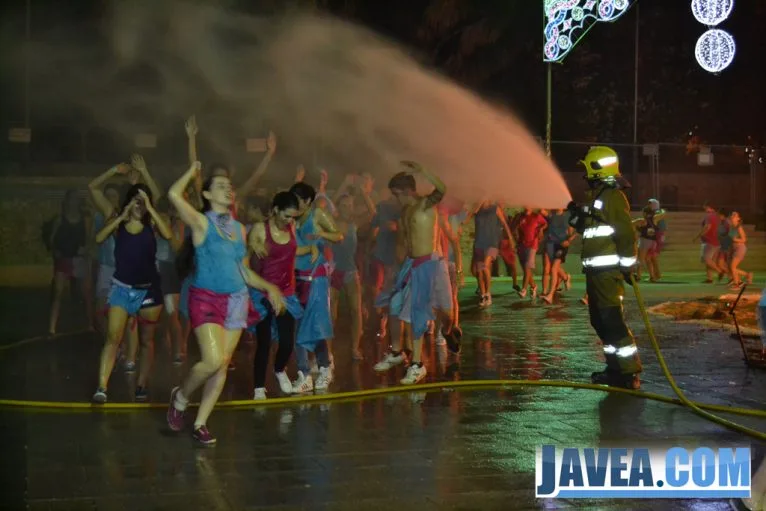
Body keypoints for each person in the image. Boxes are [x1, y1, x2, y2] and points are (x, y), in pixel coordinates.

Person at [166, 162, 284, 445]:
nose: (228, 189)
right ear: (207, 196)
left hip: (237, 299)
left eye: (229, 186)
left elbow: (243, 270)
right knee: (212, 360)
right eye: (220, 186)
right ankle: (180, 397)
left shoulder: (241, 229)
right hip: (206, 298)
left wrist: (269, 287)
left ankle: (200, 423)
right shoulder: (201, 222)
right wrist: (191, 171)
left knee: (222, 364)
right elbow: (173, 195)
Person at [374, 162, 462, 385]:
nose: (396, 199)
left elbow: (441, 189)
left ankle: (449, 330)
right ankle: (406, 357)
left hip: (432, 265)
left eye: (397, 194)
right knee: (397, 304)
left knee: (447, 316)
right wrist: (397, 269)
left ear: (407, 191)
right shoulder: (405, 212)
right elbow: (403, 242)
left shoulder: (424, 204)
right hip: (412, 265)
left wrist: (424, 171)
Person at [568, 146, 642, 389]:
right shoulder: (599, 197)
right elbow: (591, 229)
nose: (584, 174)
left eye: (587, 168)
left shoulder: (612, 196)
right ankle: (615, 368)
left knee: (612, 320)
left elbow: (625, 232)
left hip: (608, 273)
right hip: (595, 273)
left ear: (596, 169)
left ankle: (629, 372)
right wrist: (577, 215)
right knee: (599, 320)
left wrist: (628, 265)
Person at [92, 183, 171, 403]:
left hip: (148, 291)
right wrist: (121, 216)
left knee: (146, 341)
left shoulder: (152, 223)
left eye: (143, 201)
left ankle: (141, 384)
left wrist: (150, 208)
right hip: (121, 288)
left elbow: (168, 233)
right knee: (113, 337)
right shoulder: (119, 224)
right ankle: (102, 387)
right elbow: (99, 239)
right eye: (135, 200)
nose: (139, 204)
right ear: (128, 202)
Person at [248, 191, 304, 399]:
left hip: (286, 292)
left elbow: (290, 253)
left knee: (287, 342)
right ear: (275, 210)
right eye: (286, 215)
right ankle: (259, 387)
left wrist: (311, 250)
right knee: (264, 342)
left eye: (293, 217)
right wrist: (251, 247)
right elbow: (245, 263)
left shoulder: (292, 227)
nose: (290, 220)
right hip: (263, 292)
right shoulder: (259, 230)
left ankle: (280, 369)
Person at [289, 181, 343, 394]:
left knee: (316, 327)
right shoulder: (292, 219)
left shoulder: (317, 214)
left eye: (297, 199)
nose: (294, 203)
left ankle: (325, 368)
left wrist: (321, 235)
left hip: (316, 279)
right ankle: (304, 375)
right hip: (298, 278)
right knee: (298, 327)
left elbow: (338, 235)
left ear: (307, 201)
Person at [330, 192, 374, 361]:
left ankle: (355, 348)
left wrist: (364, 191)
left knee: (356, 311)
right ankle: (329, 350)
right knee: (332, 315)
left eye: (351, 206)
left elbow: (371, 214)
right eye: (344, 206)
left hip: (350, 270)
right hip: (334, 271)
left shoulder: (353, 224)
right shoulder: (331, 223)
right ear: (338, 208)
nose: (349, 209)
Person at [47, 189, 93, 336]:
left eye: (76, 199)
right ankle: (51, 328)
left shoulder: (84, 219)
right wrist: (55, 251)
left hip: (79, 260)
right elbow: (51, 240)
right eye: (71, 199)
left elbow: (89, 239)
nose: (73, 202)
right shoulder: (60, 219)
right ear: (66, 202)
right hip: (64, 260)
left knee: (86, 293)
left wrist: (85, 250)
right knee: (58, 293)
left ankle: (90, 324)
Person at [468, 201, 513, 307]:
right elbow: (467, 220)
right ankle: (483, 295)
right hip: (479, 243)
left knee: (485, 266)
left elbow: (504, 222)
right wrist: (476, 206)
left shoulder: (495, 208)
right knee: (479, 271)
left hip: (492, 242)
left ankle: (488, 293)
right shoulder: (477, 209)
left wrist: (510, 237)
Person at [541, 208, 576, 304]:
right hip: (552, 245)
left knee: (553, 269)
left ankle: (550, 295)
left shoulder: (567, 216)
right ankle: (565, 277)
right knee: (553, 268)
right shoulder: (551, 215)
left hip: (562, 245)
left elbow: (574, 232)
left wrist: (568, 241)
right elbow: (541, 210)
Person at [516, 207, 548, 299]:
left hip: (533, 244)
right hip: (522, 244)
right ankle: (533, 286)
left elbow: (545, 223)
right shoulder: (520, 216)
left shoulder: (536, 216)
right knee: (526, 269)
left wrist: (541, 229)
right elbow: (518, 229)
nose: (527, 206)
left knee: (527, 267)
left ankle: (524, 290)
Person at [635, 199, 666, 282]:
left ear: (645, 213)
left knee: (640, 259)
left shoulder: (642, 220)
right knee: (648, 259)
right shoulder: (654, 219)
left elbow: (633, 224)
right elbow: (663, 214)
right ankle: (652, 277)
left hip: (644, 241)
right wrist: (660, 210)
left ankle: (638, 276)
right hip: (653, 242)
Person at [693, 201, 724, 283]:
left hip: (709, 240)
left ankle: (720, 271)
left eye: (705, 207)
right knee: (711, 261)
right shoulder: (717, 216)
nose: (704, 209)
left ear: (709, 207)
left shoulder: (709, 216)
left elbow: (707, 227)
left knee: (706, 259)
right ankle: (709, 278)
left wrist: (698, 236)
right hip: (717, 241)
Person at [728, 211, 754, 288]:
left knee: (732, 267)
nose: (732, 216)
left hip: (740, 248)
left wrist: (735, 239)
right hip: (734, 248)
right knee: (732, 267)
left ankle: (737, 284)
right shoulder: (731, 227)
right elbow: (731, 239)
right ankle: (746, 276)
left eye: (735, 215)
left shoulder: (739, 227)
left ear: (738, 218)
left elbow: (744, 239)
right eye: (732, 214)